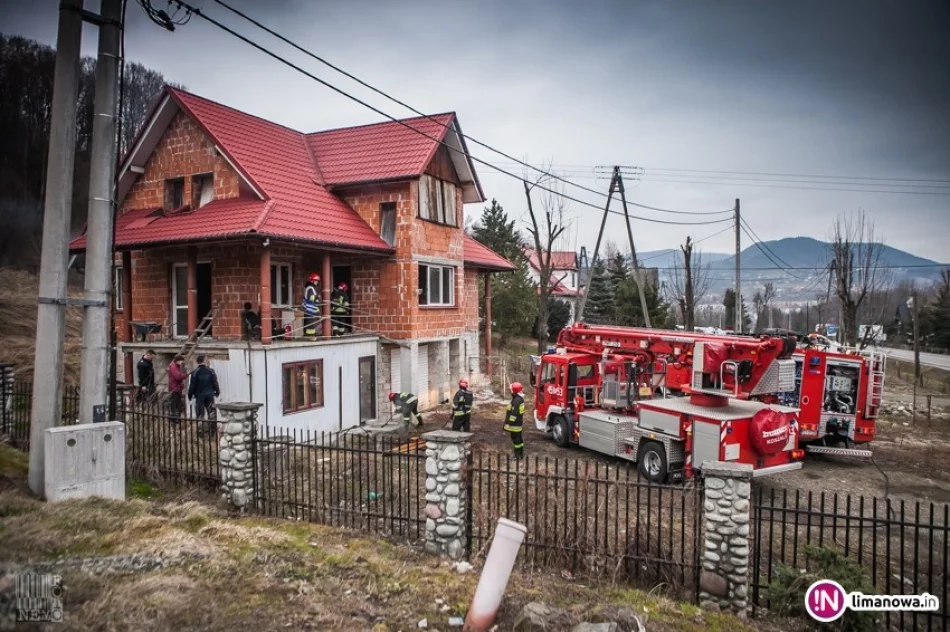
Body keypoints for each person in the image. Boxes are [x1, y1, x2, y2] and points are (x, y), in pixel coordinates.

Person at [188, 354, 220, 435]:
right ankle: (212, 431)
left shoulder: (195, 372)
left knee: (200, 414)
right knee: (211, 413)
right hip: (209, 395)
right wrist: (217, 391)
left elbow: (192, 385)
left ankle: (200, 432)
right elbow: (215, 382)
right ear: (204, 360)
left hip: (199, 396)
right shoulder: (211, 371)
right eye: (206, 359)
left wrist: (190, 395)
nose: (207, 360)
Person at [504, 382, 526, 459]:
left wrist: (509, 423)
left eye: (511, 389)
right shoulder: (519, 398)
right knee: (519, 439)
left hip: (514, 425)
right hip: (518, 423)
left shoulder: (516, 400)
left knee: (516, 440)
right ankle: (521, 454)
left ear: (514, 390)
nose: (510, 390)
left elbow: (514, 414)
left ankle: (517, 456)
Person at [167, 354, 187, 424]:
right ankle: (174, 419)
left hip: (176, 388)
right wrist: (186, 375)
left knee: (176, 404)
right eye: (182, 361)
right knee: (175, 404)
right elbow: (178, 377)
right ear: (178, 361)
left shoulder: (175, 366)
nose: (182, 362)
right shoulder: (173, 367)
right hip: (175, 388)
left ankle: (175, 418)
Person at [303, 272, 320, 336]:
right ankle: (310, 336)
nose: (317, 282)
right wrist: (317, 297)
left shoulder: (311, 287)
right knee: (310, 324)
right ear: (312, 281)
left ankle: (311, 335)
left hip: (311, 309)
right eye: (316, 281)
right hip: (309, 310)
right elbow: (311, 298)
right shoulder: (310, 288)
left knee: (311, 324)